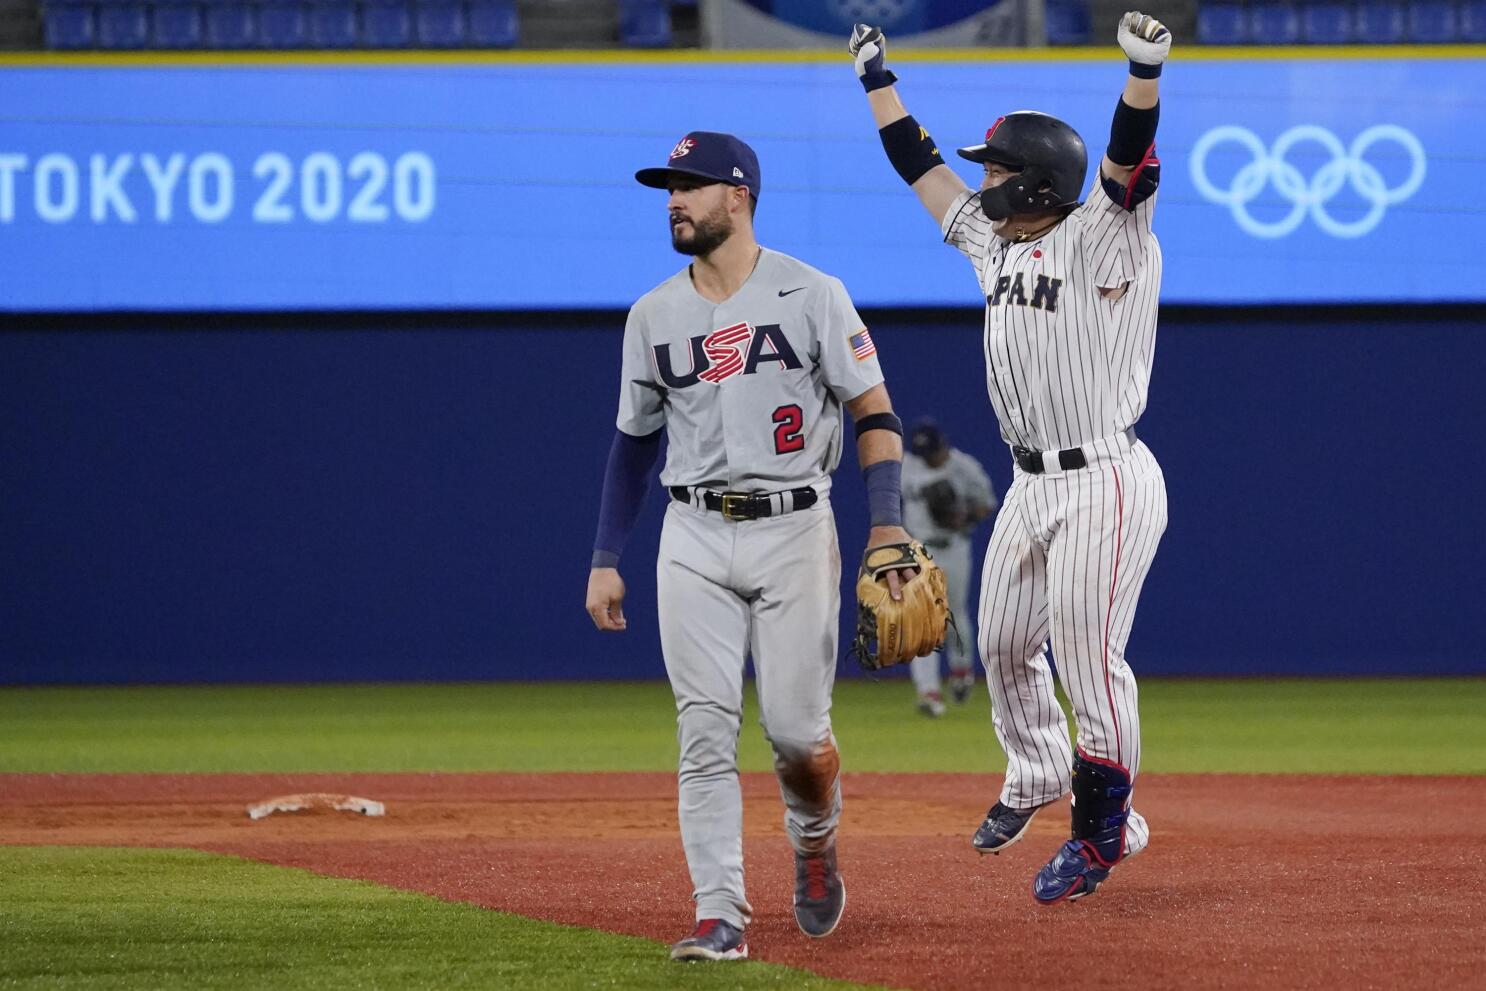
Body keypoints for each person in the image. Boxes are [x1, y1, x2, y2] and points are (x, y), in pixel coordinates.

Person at [848, 11, 1172, 902]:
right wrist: (879, 81)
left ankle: (1106, 831)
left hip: (1105, 473)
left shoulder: (1106, 233)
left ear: (1035, 181)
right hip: (1031, 479)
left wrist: (1142, 69)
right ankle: (1036, 771)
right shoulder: (996, 242)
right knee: (999, 640)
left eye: (995, 167)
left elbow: (1125, 155)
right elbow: (920, 166)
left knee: (1085, 652)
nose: (980, 179)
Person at [585, 131, 917, 960]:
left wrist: (886, 521)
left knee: (800, 737)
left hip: (794, 526)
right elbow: (633, 442)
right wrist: (604, 557)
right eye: (668, 187)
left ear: (737, 196)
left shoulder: (812, 293)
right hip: (690, 530)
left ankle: (814, 839)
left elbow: (874, 413)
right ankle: (719, 912)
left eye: (689, 186)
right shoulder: (652, 313)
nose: (673, 200)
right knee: (704, 733)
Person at [902, 419, 997, 716]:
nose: (926, 458)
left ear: (942, 446)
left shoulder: (963, 467)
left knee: (954, 614)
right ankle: (928, 692)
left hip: (954, 546)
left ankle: (961, 671)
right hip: (920, 548)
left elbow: (986, 504)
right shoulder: (907, 465)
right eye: (922, 453)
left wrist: (964, 516)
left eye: (930, 452)